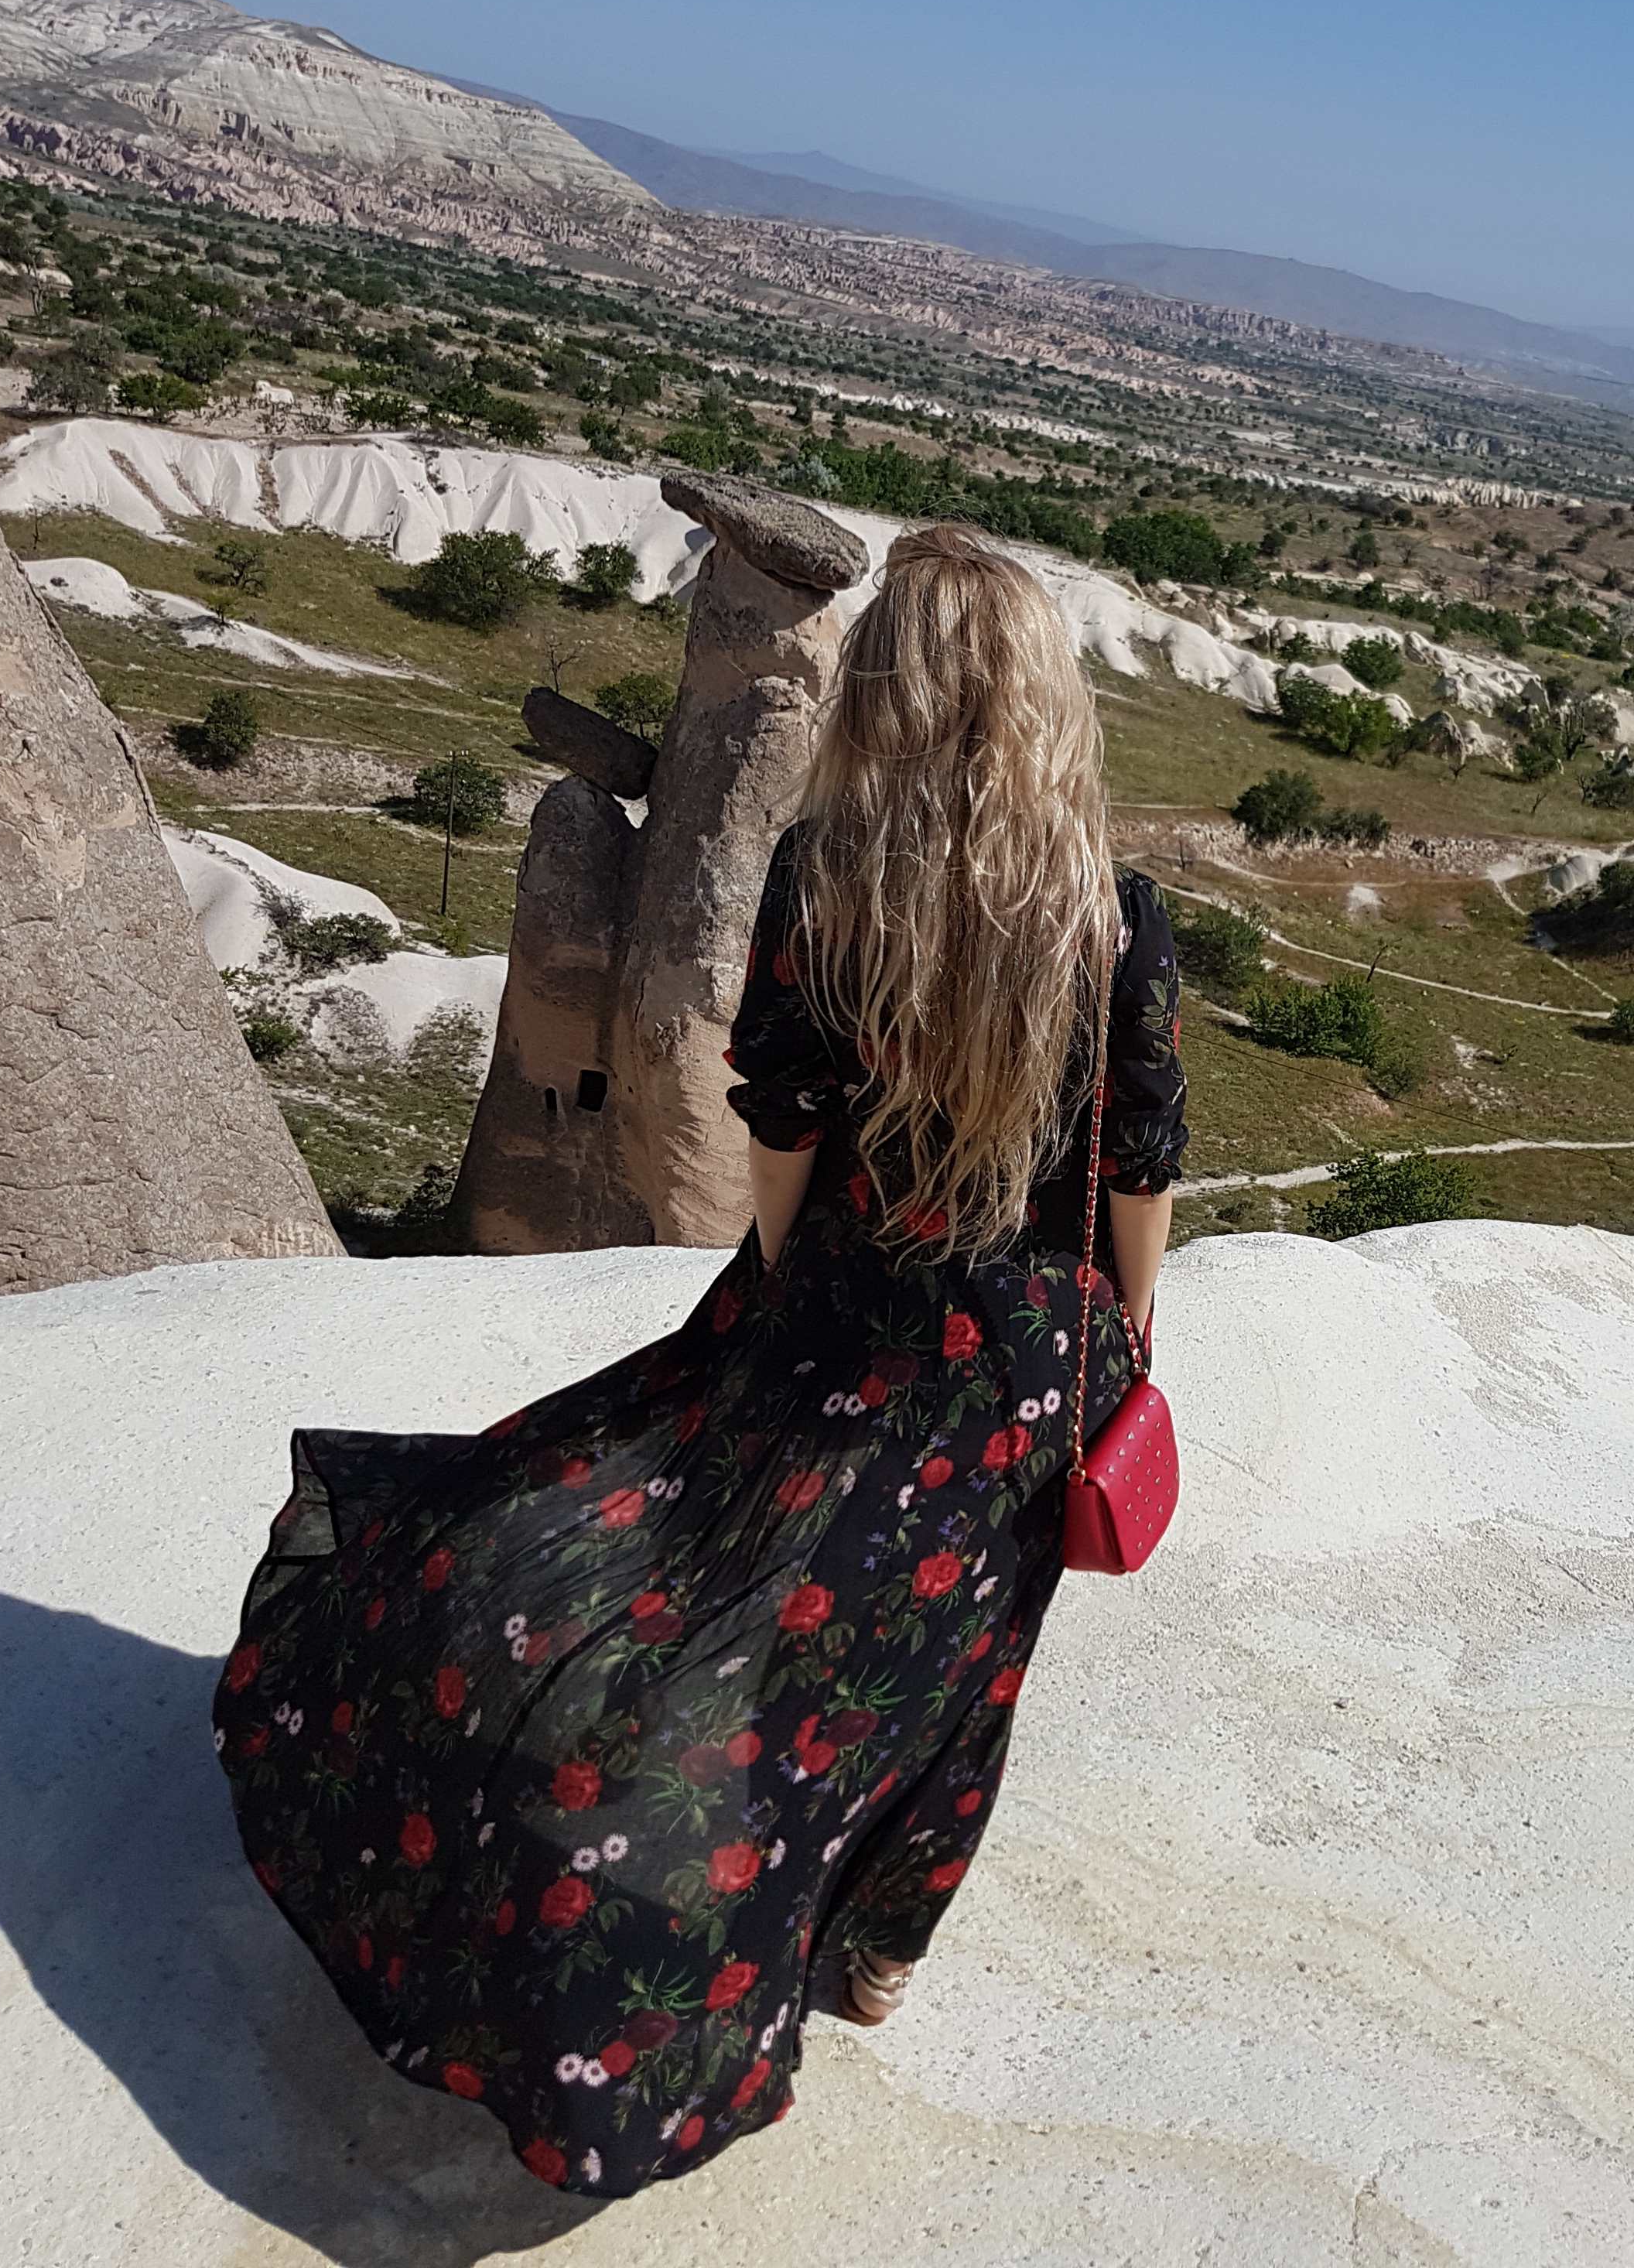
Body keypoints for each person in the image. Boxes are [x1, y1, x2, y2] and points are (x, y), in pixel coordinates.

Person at [214, 525, 1186, 2199]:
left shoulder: (830, 875)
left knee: (696, 1559)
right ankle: (877, 1949)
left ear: (889, 690)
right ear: (1046, 702)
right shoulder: (1113, 915)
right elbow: (1142, 1163)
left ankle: (602, 1818)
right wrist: (1127, 1336)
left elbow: (784, 1117)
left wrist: (794, 1272)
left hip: (851, 1302)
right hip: (1029, 1360)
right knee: (954, 1666)